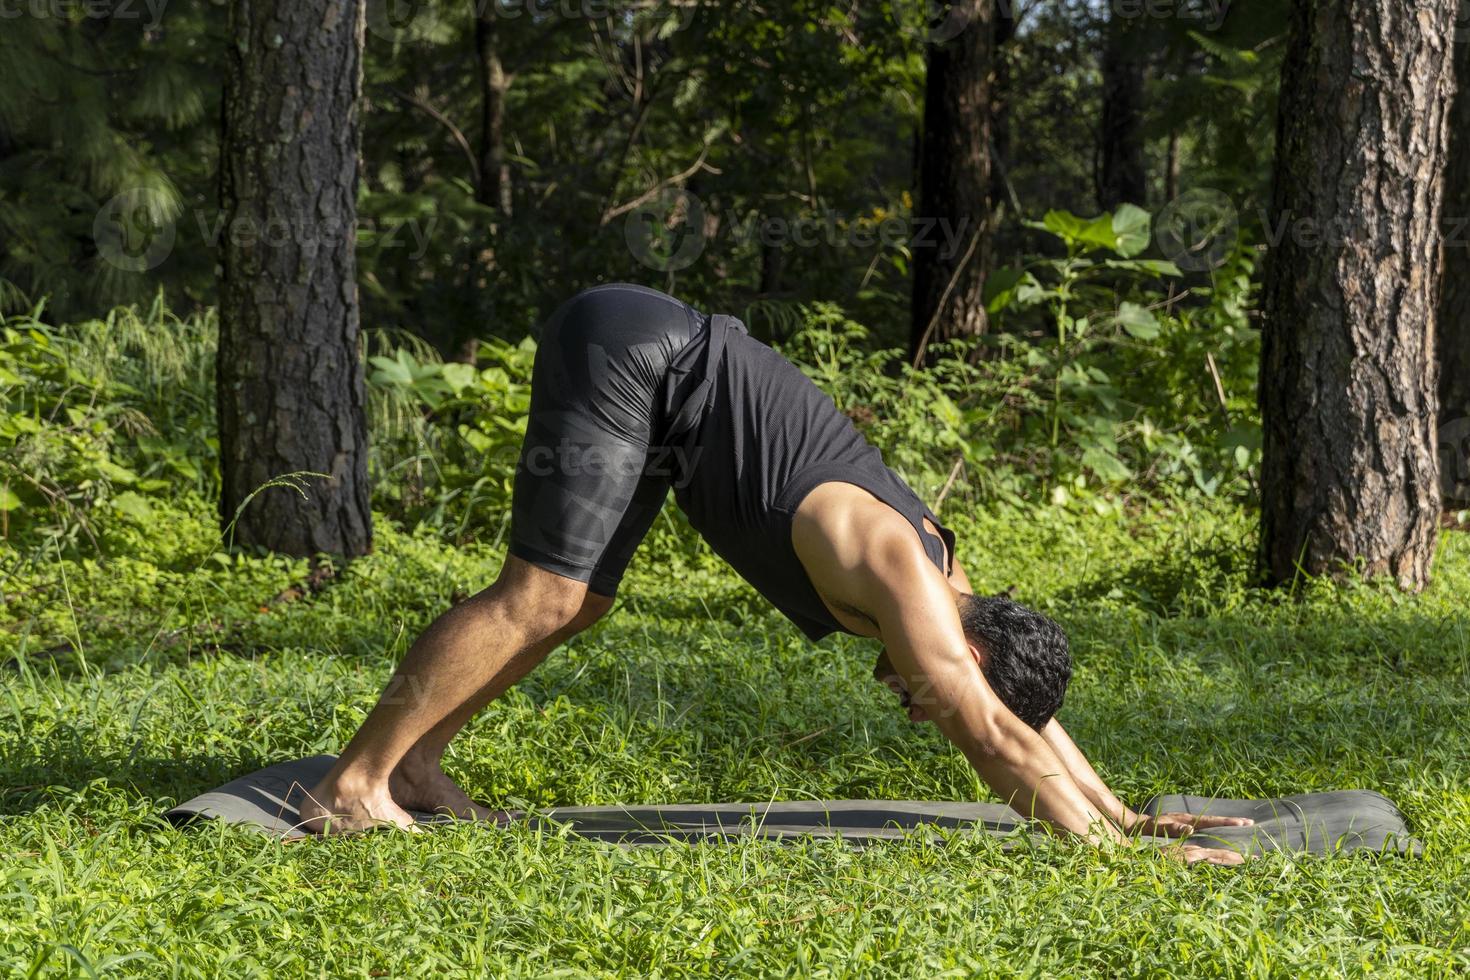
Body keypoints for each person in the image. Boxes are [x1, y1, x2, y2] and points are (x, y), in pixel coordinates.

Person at [300, 283, 1249, 863]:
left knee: (578, 605)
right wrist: (1105, 863)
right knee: (541, 595)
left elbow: (1018, 709)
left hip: (664, 394)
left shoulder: (958, 593)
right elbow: (992, 727)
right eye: (949, 684)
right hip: (634, 353)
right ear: (969, 643)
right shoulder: (899, 568)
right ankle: (356, 783)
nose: (926, 702)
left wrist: (1122, 818)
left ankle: (414, 767)